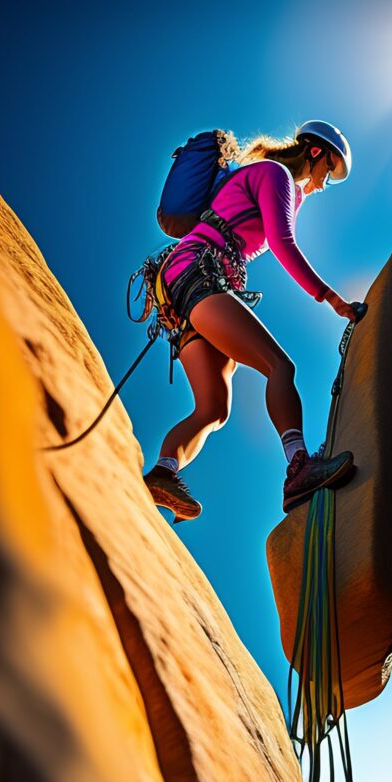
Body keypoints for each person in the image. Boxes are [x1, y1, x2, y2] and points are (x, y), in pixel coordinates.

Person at [143, 120, 360, 522]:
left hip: (182, 285)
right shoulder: (276, 175)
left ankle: (162, 473)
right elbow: (283, 243)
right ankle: (299, 468)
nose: (322, 184)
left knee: (214, 408)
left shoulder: (262, 179)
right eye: (327, 171)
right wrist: (330, 298)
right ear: (314, 153)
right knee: (280, 367)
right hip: (198, 277)